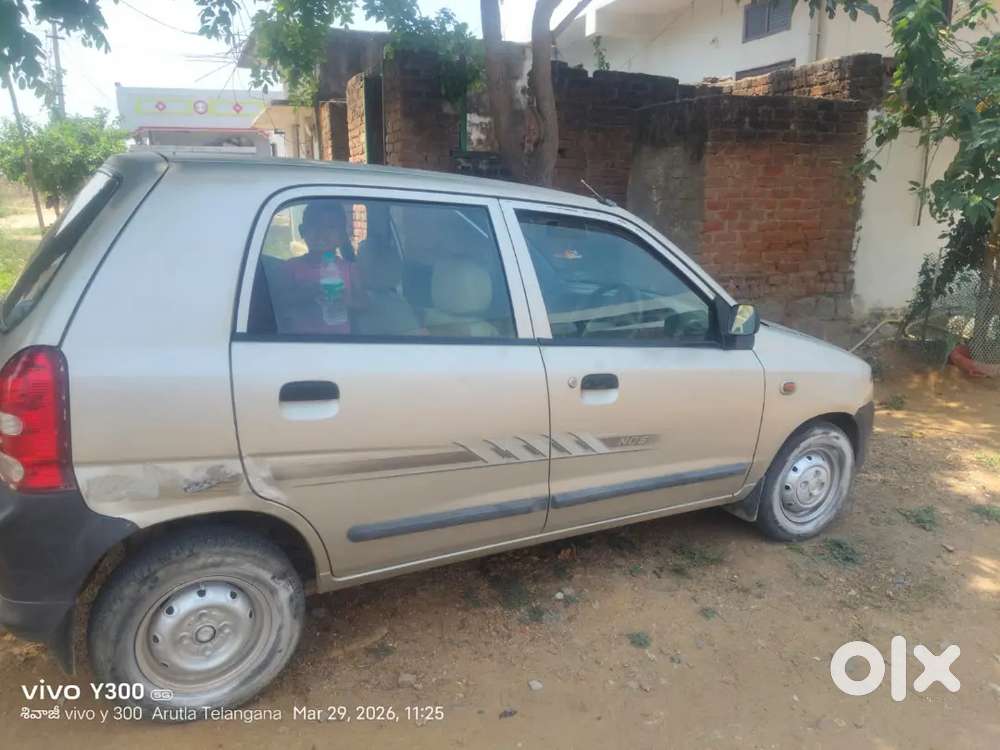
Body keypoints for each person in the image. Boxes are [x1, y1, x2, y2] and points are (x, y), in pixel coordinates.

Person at [275, 201, 363, 335]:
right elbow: (278, 303)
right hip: (299, 343)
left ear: (342, 236)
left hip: (341, 344)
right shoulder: (290, 268)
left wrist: (347, 301)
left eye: (330, 227)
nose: (321, 233)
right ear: (302, 231)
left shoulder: (349, 269)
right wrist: (307, 293)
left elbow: (365, 303)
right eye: (314, 226)